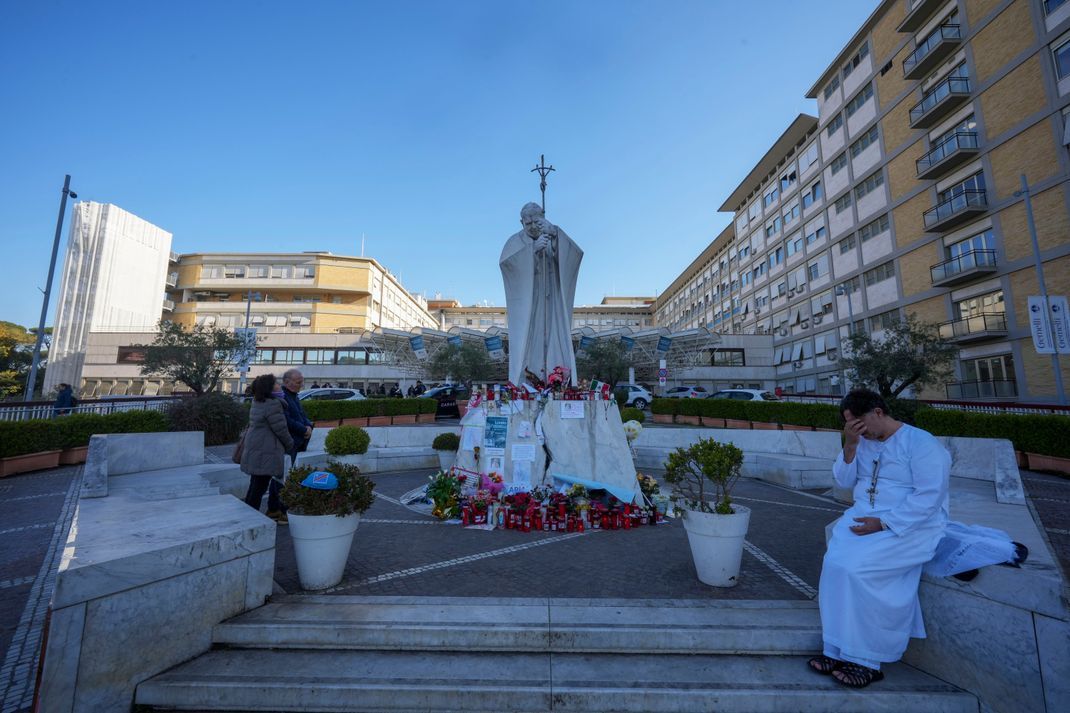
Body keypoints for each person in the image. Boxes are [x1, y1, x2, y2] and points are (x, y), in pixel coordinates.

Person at [809, 389, 950, 688]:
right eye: (849, 425)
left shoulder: (921, 443)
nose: (857, 429)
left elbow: (929, 498)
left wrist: (884, 523)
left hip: (910, 525)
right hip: (863, 519)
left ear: (878, 412)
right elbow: (844, 481)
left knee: (859, 570)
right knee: (834, 565)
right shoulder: (860, 441)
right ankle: (835, 648)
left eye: (859, 422)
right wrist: (849, 446)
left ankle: (866, 660)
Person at [499, 202, 583, 386]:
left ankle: (558, 379)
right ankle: (526, 382)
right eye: (527, 224)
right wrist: (532, 251)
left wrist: (555, 235)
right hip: (530, 303)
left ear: (543, 217)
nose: (532, 227)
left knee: (555, 334)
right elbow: (507, 265)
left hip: (552, 300)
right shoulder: (515, 241)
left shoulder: (553, 233)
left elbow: (575, 255)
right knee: (530, 340)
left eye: (536, 221)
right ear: (521, 222)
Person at [240, 374, 294, 524]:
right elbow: (281, 429)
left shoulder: (258, 402)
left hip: (257, 448)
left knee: (255, 485)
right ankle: (250, 521)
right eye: (276, 383)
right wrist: (290, 445)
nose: (279, 385)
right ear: (269, 388)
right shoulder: (273, 404)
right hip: (266, 451)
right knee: (259, 487)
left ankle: (249, 516)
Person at [281, 369, 313, 471]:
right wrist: (304, 430)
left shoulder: (294, 396)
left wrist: (309, 426)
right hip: (290, 442)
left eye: (301, 382)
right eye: (298, 382)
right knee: (286, 474)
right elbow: (286, 420)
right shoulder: (282, 397)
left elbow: (302, 415)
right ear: (287, 382)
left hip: (299, 441)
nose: (301, 385)